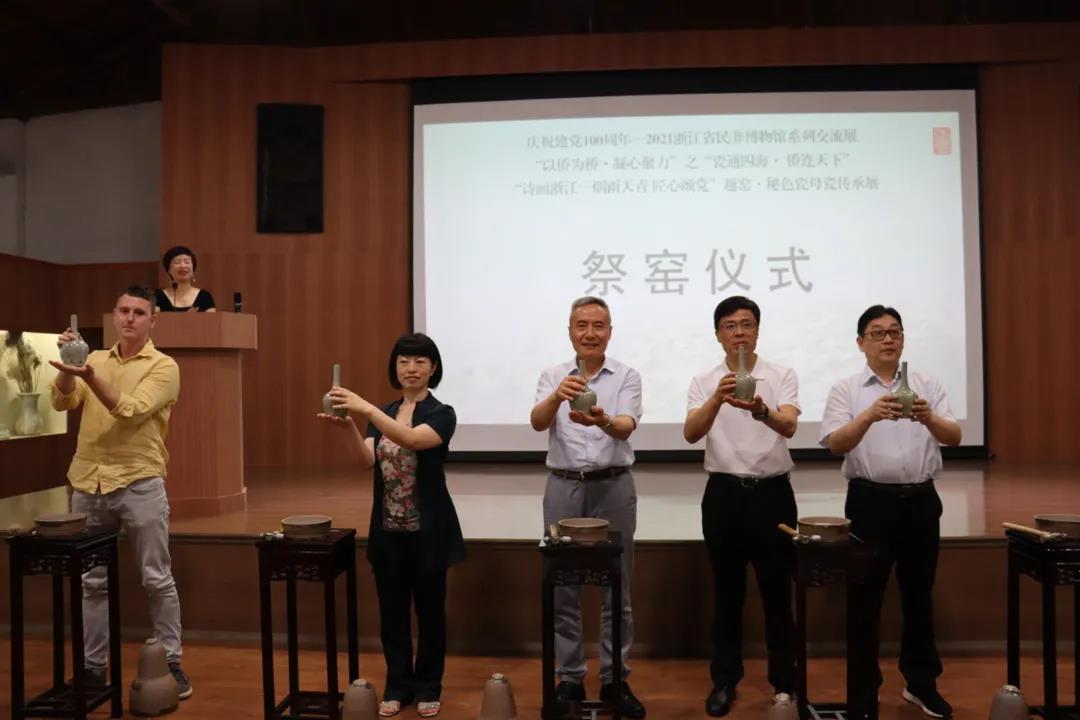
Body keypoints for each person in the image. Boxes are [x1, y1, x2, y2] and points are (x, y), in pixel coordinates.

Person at [819, 305, 962, 719]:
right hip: (869, 503)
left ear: (903, 339)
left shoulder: (927, 384)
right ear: (860, 342)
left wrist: (928, 416)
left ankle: (921, 685)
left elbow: (954, 436)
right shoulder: (846, 389)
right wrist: (869, 415)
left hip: (920, 501)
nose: (888, 339)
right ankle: (863, 692)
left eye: (895, 332)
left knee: (919, 596)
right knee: (865, 600)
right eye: (878, 333)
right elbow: (835, 443)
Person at [49, 285, 190, 699]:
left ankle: (171, 663)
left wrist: (89, 377)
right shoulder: (92, 358)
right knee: (92, 582)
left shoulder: (164, 366)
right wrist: (68, 367)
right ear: (114, 315)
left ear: (153, 320)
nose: (129, 318)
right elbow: (62, 402)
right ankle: (93, 670)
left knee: (156, 578)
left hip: (139, 481)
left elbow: (130, 410)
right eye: (124, 310)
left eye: (139, 312)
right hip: (88, 482)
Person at [319, 333, 463, 719]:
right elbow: (365, 460)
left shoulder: (442, 413)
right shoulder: (384, 412)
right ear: (395, 367)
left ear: (433, 368)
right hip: (388, 531)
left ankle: (428, 686)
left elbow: (412, 440)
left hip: (428, 533)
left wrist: (364, 407)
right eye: (404, 361)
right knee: (393, 617)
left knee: (430, 615)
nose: (411, 368)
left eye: (420, 361)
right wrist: (346, 425)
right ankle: (398, 685)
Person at [682, 296, 800, 717]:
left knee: (777, 593)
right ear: (718, 335)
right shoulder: (704, 381)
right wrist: (717, 398)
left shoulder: (781, 375)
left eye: (747, 324)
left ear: (758, 330)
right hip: (724, 496)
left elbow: (789, 425)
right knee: (727, 594)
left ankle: (784, 683)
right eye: (730, 326)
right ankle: (724, 681)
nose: (739, 333)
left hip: (772, 495)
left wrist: (762, 410)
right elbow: (691, 433)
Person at [529, 296, 646, 719]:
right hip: (564, 486)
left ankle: (615, 677)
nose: (590, 333)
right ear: (570, 331)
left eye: (599, 326)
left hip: (613, 487)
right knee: (564, 587)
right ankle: (570, 677)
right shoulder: (553, 375)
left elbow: (626, 426)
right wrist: (556, 397)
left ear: (610, 332)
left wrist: (602, 420)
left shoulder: (627, 375)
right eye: (582, 325)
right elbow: (538, 421)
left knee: (619, 586)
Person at [154, 245, 215, 312]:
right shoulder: (158, 296)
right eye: (177, 262)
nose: (183, 266)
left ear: (193, 268)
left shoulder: (204, 296)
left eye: (187, 262)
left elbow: (212, 318)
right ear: (169, 270)